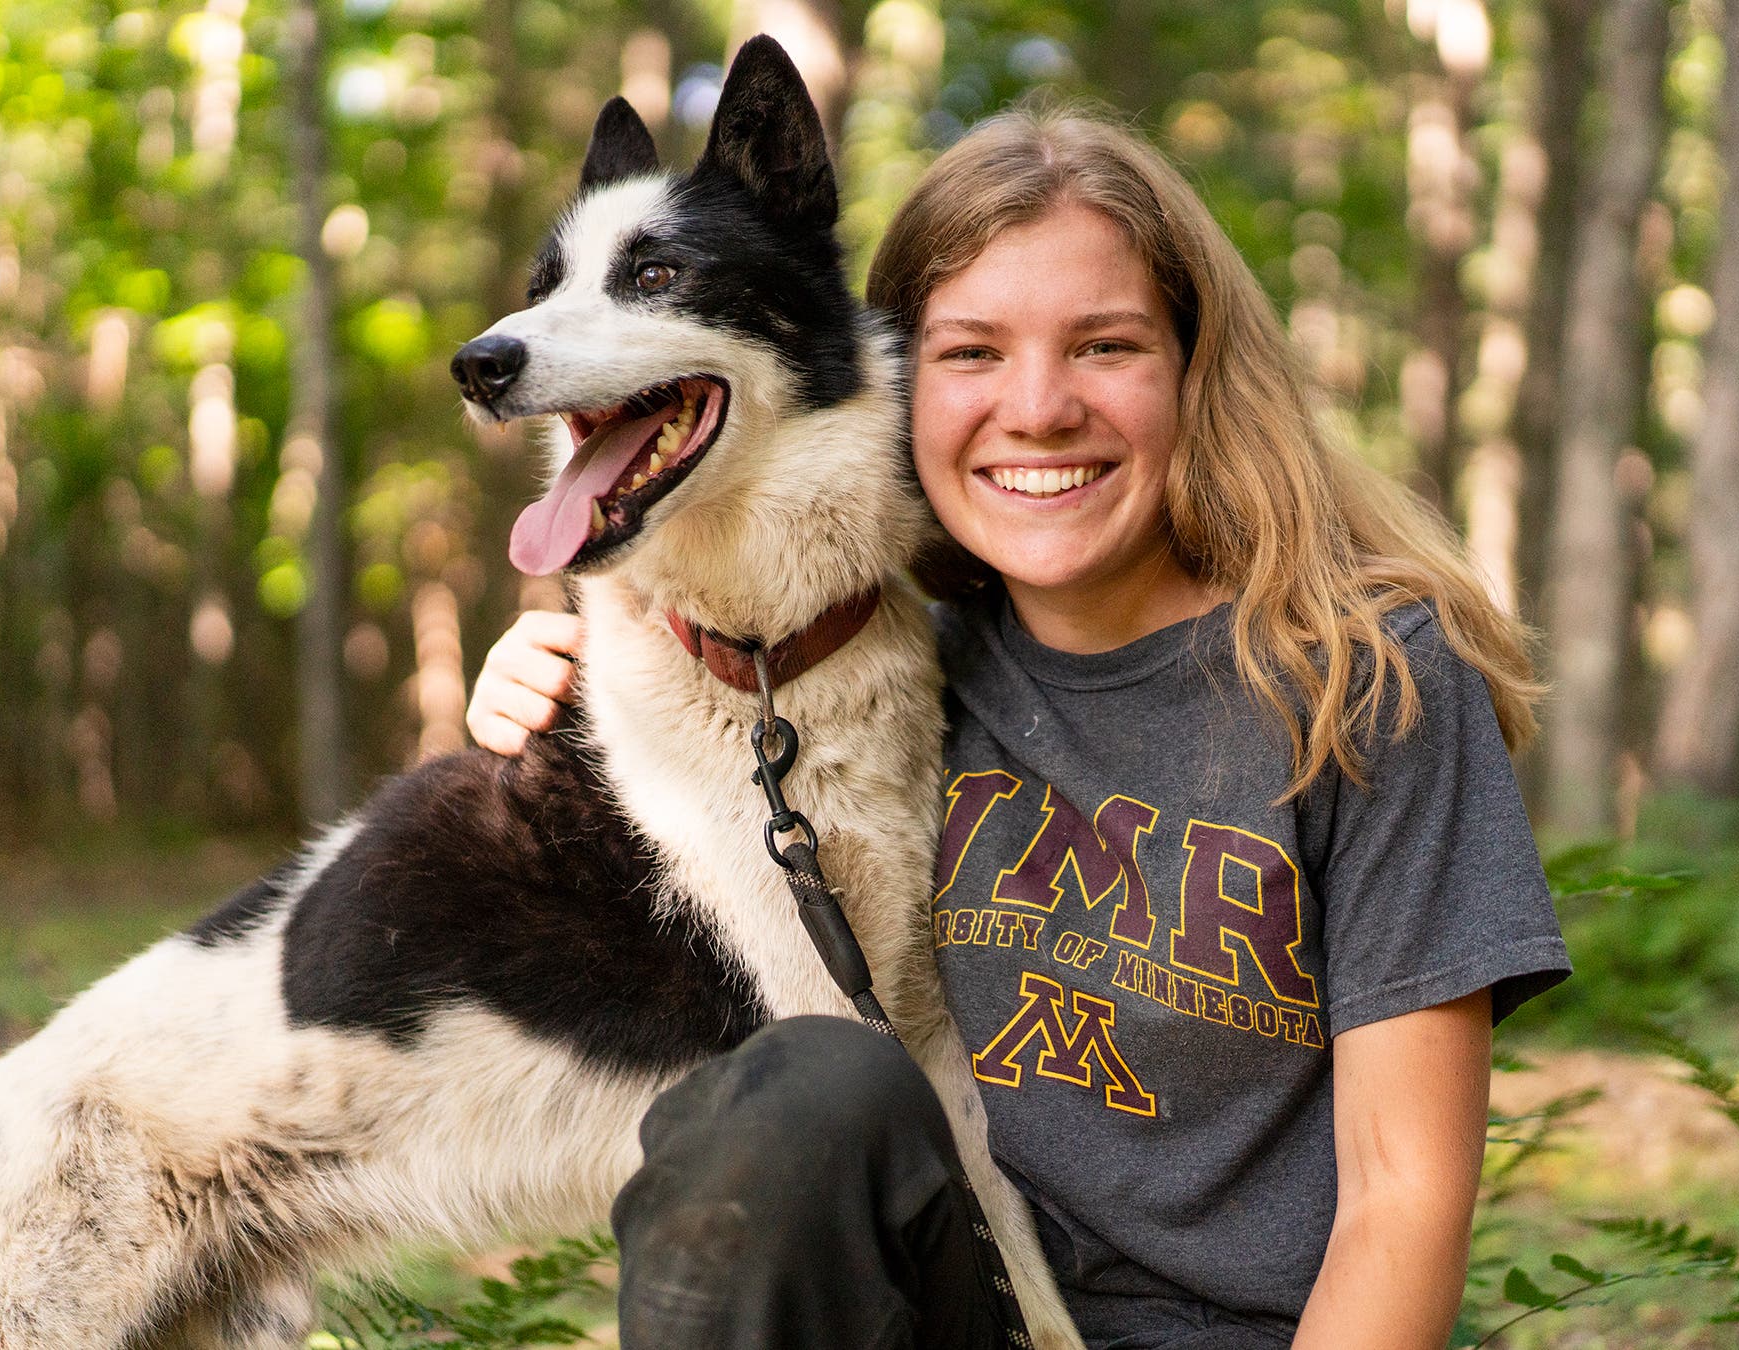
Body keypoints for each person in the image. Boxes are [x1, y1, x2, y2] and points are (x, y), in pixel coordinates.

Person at [468, 107, 1569, 1350]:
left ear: (1195, 370)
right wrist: (543, 697)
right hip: (948, 1312)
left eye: (1105, 346)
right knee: (800, 1093)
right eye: (973, 352)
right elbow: (604, 981)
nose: (1039, 409)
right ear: (892, 373)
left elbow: (1403, 1197)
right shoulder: (878, 670)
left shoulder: (1363, 679)